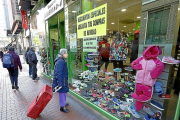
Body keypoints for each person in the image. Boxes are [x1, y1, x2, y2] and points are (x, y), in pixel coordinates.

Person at [52, 49, 69, 113]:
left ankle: (63, 103)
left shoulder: (61, 60)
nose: (67, 54)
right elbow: (58, 73)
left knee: (64, 93)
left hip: (63, 80)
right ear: (63, 54)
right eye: (66, 53)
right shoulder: (60, 61)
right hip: (62, 81)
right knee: (62, 93)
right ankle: (62, 107)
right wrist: (60, 83)